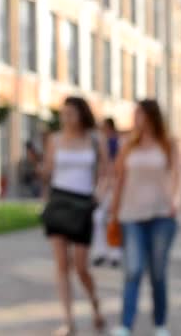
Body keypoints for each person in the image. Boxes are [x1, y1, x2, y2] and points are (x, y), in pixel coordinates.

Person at [109, 99, 181, 336]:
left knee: (158, 272)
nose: (136, 119)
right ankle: (125, 324)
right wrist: (114, 211)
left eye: (140, 114)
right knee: (133, 270)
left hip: (162, 214)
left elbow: (179, 176)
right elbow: (119, 179)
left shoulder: (168, 144)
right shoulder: (128, 145)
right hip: (131, 215)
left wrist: (177, 200)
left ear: (151, 116)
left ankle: (160, 323)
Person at [41, 97, 108, 336]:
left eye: (71, 113)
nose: (66, 117)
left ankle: (95, 305)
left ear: (81, 114)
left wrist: (98, 195)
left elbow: (105, 173)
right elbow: (48, 172)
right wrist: (37, 166)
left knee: (80, 267)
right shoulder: (55, 140)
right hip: (59, 202)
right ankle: (68, 321)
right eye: (63, 113)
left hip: (83, 205)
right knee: (61, 266)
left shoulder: (94, 139)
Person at [90, 118, 123, 268]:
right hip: (105, 183)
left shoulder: (117, 143)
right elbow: (101, 166)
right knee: (98, 217)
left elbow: (115, 164)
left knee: (112, 218)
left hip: (115, 183)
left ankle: (115, 252)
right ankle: (100, 251)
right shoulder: (101, 143)